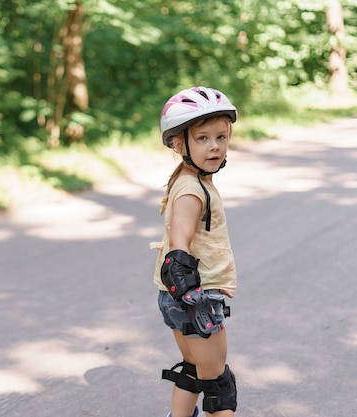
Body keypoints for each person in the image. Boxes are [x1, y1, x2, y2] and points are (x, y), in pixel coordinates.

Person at [150, 86, 238, 417]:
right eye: (202, 138)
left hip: (184, 296)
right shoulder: (191, 189)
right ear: (179, 143)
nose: (214, 146)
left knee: (193, 368)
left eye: (221, 136)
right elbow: (179, 245)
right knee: (218, 385)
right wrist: (196, 293)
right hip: (192, 298)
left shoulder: (191, 179)